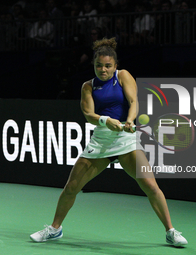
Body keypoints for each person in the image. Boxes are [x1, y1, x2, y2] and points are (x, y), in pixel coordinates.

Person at [30, 37, 188, 247]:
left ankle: (170, 231)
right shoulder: (88, 86)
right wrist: (106, 120)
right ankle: (55, 229)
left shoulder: (123, 76)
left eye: (107, 66)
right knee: (71, 187)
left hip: (125, 138)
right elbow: (88, 114)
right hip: (102, 140)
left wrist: (129, 120)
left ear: (115, 66)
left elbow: (133, 102)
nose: (102, 70)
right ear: (93, 65)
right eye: (98, 66)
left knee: (150, 185)